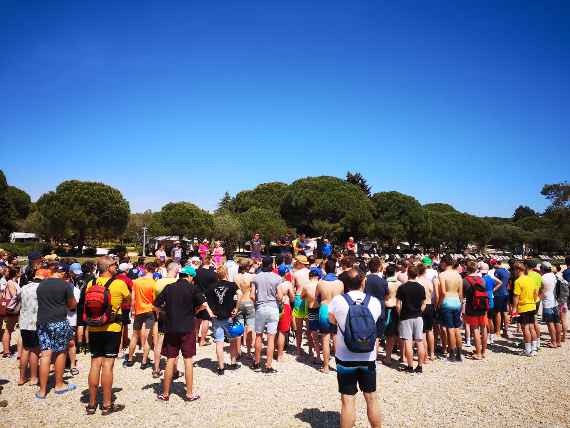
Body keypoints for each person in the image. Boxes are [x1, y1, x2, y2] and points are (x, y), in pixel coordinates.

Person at [328, 269, 382, 428]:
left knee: (348, 399)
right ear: (363, 282)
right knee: (371, 397)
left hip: (345, 356)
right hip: (368, 356)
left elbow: (332, 320)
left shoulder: (338, 301)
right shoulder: (374, 301)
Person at [155, 266, 213, 402]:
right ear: (190, 277)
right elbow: (204, 305)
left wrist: (166, 313)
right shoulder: (193, 288)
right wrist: (195, 311)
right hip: (187, 327)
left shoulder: (169, 287)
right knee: (188, 359)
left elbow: (156, 305)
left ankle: (165, 393)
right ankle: (189, 393)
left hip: (171, 327)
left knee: (170, 359)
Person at [84, 256, 130, 414]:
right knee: (108, 365)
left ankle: (91, 404)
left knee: (95, 363)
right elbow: (128, 300)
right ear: (109, 267)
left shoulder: (92, 283)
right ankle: (107, 404)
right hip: (112, 328)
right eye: (114, 265)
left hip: (94, 327)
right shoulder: (119, 283)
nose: (116, 267)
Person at [35, 270, 77, 399]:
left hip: (42, 322)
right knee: (60, 352)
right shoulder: (65, 285)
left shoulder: (41, 285)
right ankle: (59, 385)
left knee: (45, 354)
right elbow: (72, 305)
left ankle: (42, 391)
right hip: (58, 321)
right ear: (63, 273)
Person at [206, 265, 241, 375]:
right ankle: (233, 362)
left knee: (219, 343)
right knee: (232, 341)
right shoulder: (232, 285)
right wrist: (236, 308)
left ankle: (221, 367)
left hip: (217, 317)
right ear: (226, 273)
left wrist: (211, 312)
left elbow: (205, 299)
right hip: (229, 316)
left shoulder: (211, 287)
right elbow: (240, 294)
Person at [250, 256, 283, 373]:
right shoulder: (277, 278)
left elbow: (252, 296)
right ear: (272, 265)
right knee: (271, 337)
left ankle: (257, 362)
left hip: (260, 307)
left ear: (262, 264)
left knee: (258, 335)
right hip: (273, 307)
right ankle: (268, 365)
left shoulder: (256, 278)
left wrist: (257, 303)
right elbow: (280, 296)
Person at [125, 262, 157, 369]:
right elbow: (155, 299)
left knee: (134, 336)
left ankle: (130, 359)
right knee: (148, 337)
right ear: (154, 270)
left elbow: (133, 299)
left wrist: (132, 310)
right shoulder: (154, 283)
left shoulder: (136, 282)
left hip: (139, 311)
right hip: (150, 310)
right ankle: (144, 361)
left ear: (146, 269)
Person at [315, 258, 344, 373]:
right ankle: (339, 366)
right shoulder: (340, 283)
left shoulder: (321, 282)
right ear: (335, 269)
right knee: (336, 338)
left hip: (324, 308)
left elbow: (316, 297)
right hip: (336, 309)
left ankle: (326, 366)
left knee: (325, 338)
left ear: (325, 269)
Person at [396, 265, 426, 373]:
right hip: (418, 316)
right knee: (419, 341)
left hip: (406, 316)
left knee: (408, 342)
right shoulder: (421, 287)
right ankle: (420, 366)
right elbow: (424, 304)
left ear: (408, 274)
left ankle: (410, 366)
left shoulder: (402, 287)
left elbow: (398, 305)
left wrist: (400, 315)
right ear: (417, 274)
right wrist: (418, 312)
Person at [152, 262, 179, 379]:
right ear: (175, 270)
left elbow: (155, 301)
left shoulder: (158, 282)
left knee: (159, 341)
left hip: (162, 314)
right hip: (175, 316)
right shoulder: (176, 283)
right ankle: (174, 369)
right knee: (174, 343)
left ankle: (156, 369)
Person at [18, 270, 44, 386]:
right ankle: (33, 377)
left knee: (25, 349)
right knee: (34, 350)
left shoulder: (24, 287)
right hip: (35, 322)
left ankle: (21, 377)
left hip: (24, 321)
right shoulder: (41, 289)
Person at [437, 255, 463, 362]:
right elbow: (460, 293)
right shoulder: (458, 275)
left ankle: (452, 354)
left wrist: (439, 303)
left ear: (443, 263)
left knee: (450, 329)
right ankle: (459, 354)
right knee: (457, 328)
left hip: (447, 301)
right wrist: (460, 304)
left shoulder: (442, 275)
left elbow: (443, 292)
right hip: (457, 301)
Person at [463, 261, 489, 360]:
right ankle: (483, 351)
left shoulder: (465, 280)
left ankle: (478, 353)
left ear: (467, 269)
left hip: (472, 306)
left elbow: (462, 295)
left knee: (475, 329)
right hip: (482, 306)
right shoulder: (482, 280)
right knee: (483, 328)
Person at [512, 262, 539, 356]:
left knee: (525, 328)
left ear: (518, 270)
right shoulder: (530, 279)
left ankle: (527, 350)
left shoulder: (518, 281)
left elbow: (516, 296)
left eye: (514, 270)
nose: (513, 272)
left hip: (523, 307)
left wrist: (514, 309)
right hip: (532, 305)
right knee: (532, 327)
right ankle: (534, 348)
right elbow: (536, 292)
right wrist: (534, 301)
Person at [364, 258, 388, 358]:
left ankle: (365, 352)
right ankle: (374, 355)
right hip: (379, 308)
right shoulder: (383, 281)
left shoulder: (364, 279)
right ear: (379, 268)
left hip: (367, 307)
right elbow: (386, 295)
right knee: (378, 334)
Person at [194, 256, 218, 346]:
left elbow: (194, 283)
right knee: (206, 319)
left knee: (197, 318)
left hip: (198, 296)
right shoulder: (213, 274)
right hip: (208, 297)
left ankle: (196, 337)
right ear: (210, 261)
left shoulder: (196, 272)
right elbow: (215, 286)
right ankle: (202, 340)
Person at [382, 264, 402, 366]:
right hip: (398, 308)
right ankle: (403, 356)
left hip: (388, 308)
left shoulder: (385, 283)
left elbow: (385, 297)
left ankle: (388, 357)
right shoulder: (399, 283)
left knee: (389, 335)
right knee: (398, 333)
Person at [417, 263, 437, 362]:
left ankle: (424, 356)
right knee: (430, 331)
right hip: (429, 305)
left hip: (420, 306)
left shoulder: (417, 281)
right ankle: (432, 353)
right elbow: (432, 294)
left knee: (422, 332)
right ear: (424, 271)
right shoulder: (428, 282)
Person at [236, 259, 256, 357]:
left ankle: (238, 351)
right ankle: (248, 351)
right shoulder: (252, 277)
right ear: (247, 266)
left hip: (239, 302)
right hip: (249, 301)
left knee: (239, 327)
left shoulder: (236, 277)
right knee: (250, 326)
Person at [292, 255, 310, 356]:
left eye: (296, 262)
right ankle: (311, 350)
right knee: (309, 327)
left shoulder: (296, 273)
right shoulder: (310, 272)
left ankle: (298, 349)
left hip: (299, 297)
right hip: (309, 298)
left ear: (300, 263)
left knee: (298, 327)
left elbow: (293, 287)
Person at [302, 269, 322, 365]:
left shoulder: (306, 286)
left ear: (310, 276)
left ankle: (317, 357)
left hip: (312, 309)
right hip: (322, 309)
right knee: (324, 333)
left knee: (314, 334)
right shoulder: (322, 284)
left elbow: (302, 296)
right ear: (318, 276)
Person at [540, 262, 561, 348]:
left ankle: (553, 342)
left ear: (543, 269)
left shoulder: (543, 278)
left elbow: (540, 291)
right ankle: (558, 341)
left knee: (550, 323)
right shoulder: (554, 276)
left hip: (547, 303)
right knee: (557, 322)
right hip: (555, 302)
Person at [276, 265, 295, 361]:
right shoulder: (287, 283)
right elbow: (292, 297)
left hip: (274, 306)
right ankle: (280, 355)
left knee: (274, 330)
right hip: (285, 305)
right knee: (282, 332)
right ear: (286, 273)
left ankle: (275, 350)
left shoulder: (274, 281)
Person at [480, 263, 501, 345]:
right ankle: (491, 337)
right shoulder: (491, 277)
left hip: (484, 298)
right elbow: (500, 282)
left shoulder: (482, 279)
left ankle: (487, 336)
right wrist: (493, 290)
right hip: (491, 298)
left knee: (486, 319)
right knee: (490, 319)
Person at [1, 268, 19, 357]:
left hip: (13, 308)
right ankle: (6, 351)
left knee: (10, 329)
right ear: (16, 273)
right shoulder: (11, 283)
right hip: (12, 308)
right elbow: (14, 295)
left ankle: (7, 350)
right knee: (8, 329)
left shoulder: (11, 282)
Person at [492, 260, 511, 339]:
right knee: (505, 313)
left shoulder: (497, 271)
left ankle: (498, 331)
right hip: (506, 293)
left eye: (493, 264)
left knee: (497, 313)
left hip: (499, 294)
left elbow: (496, 282)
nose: (493, 265)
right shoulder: (507, 271)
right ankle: (506, 331)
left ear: (498, 264)